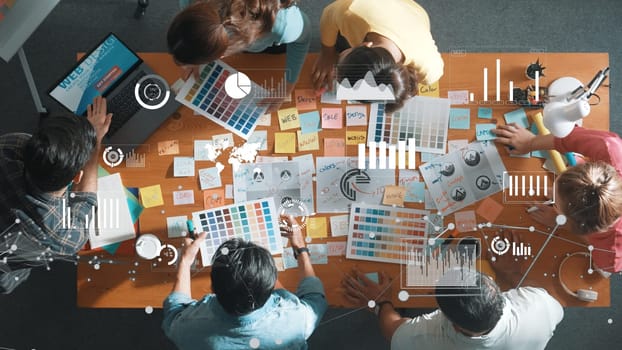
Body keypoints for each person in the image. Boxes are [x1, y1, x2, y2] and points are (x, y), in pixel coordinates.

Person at [343, 232, 564, 350]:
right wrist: (513, 275)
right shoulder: (538, 307)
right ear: (496, 291)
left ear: (454, 325)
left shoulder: (426, 339)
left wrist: (382, 303)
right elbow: (555, 309)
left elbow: (392, 331)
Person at [0, 96, 112, 294]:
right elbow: (85, 201)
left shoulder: (11, 145)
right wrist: (94, 146)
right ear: (78, 176)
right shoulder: (63, 237)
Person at [162, 217, 327, 349]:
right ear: (270, 289)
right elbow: (315, 297)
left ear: (212, 287)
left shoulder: (188, 328)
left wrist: (185, 261)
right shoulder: (296, 320)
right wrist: (300, 247)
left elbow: (174, 311)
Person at [493, 123, 622, 274]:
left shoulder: (612, 258)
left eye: (555, 203)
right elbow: (567, 137)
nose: (550, 196)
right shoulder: (610, 148)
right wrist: (530, 142)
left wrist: (562, 225)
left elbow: (597, 248)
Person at [168, 0, 311, 111]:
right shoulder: (189, 3)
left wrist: (287, 87)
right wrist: (196, 54)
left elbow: (303, 37)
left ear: (223, 54)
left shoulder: (283, 26)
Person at [312, 0, 444, 114]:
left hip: (412, 17)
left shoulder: (429, 71)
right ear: (365, 45)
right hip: (386, 8)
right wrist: (327, 53)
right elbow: (329, 14)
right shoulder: (351, 11)